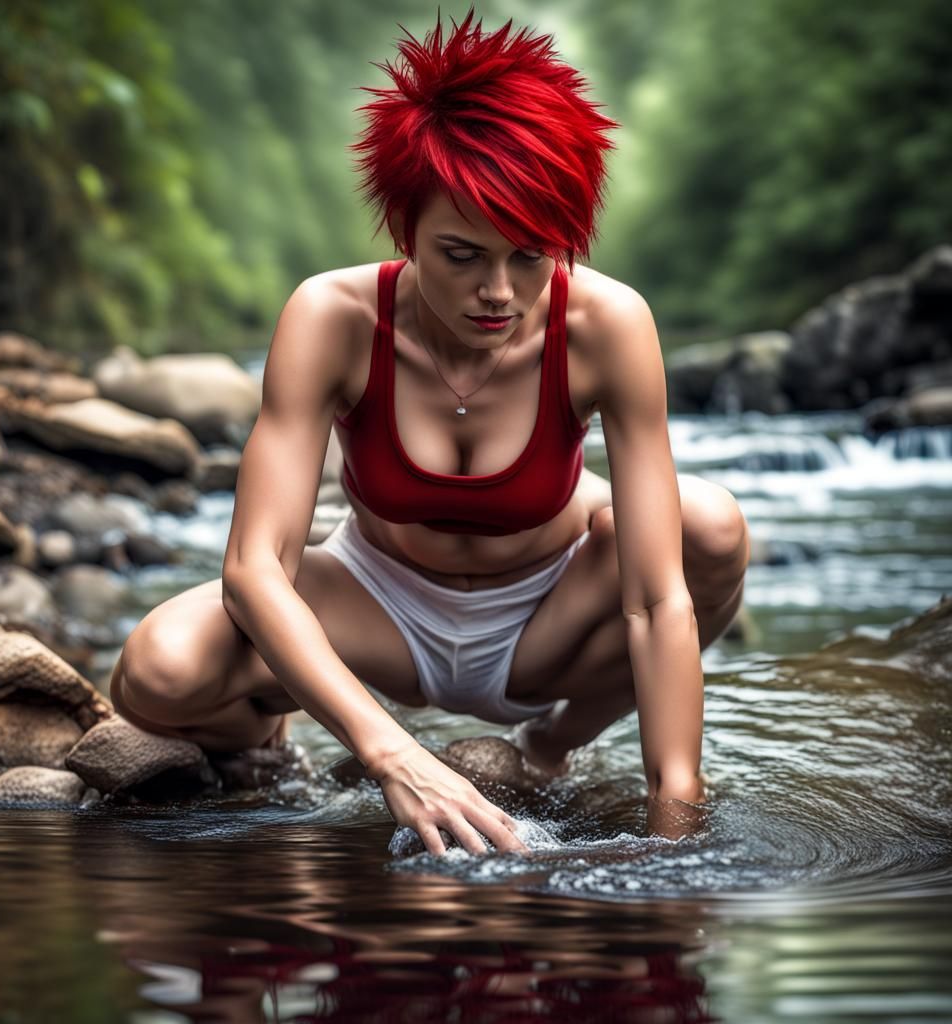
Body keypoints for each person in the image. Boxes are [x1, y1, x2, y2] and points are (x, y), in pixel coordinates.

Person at [109, 9, 749, 855]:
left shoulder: (608, 324)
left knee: (709, 529)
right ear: (404, 227)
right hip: (379, 603)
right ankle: (263, 745)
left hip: (548, 622)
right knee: (157, 671)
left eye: (532, 255)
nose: (501, 293)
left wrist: (680, 827)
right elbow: (254, 569)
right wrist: (392, 754)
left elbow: (658, 596)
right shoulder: (331, 317)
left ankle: (547, 752)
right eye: (461, 255)